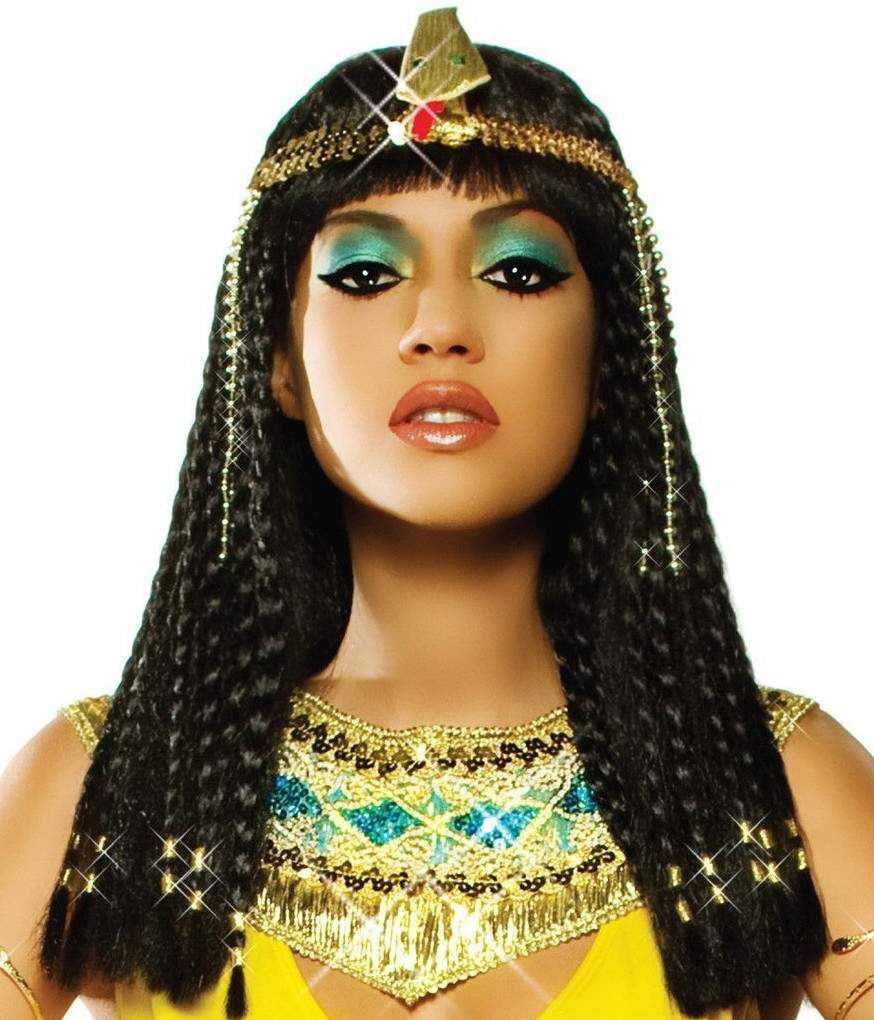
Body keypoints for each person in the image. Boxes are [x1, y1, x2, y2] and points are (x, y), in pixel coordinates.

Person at [2, 7, 874, 1020]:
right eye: (367, 275)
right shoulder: (114, 787)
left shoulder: (766, 785)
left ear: (609, 359)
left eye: (518, 273)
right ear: (277, 361)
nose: (442, 328)